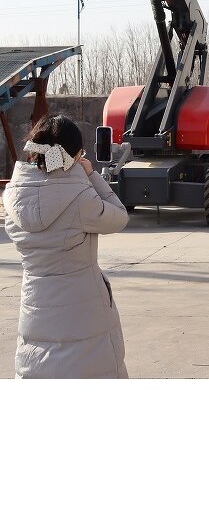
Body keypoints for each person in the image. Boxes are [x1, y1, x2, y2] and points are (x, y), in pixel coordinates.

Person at [3, 114, 129, 378]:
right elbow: (119, 216)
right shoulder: (81, 198)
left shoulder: (12, 196)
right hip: (83, 307)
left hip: (35, 302)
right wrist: (91, 175)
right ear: (74, 155)